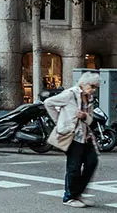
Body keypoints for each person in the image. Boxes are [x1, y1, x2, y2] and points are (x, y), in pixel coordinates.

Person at [44, 72, 101, 207]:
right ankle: (69, 197)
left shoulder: (89, 98)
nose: (93, 89)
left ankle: (77, 194)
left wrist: (84, 116)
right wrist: (60, 121)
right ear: (83, 83)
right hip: (72, 135)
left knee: (92, 161)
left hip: (85, 136)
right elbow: (48, 103)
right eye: (92, 86)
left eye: (95, 87)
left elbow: (90, 119)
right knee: (74, 167)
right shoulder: (70, 94)